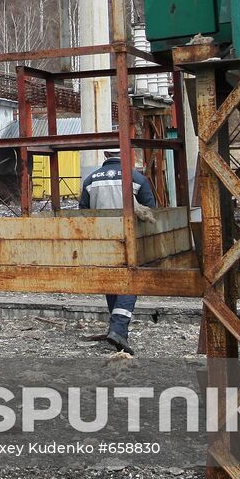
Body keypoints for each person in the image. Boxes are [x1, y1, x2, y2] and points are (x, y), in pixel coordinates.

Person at [78, 148, 157, 355]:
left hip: (101, 240)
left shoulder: (90, 180)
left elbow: (83, 213)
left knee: (111, 281)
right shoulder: (137, 178)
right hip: (128, 239)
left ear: (106, 156)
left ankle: (117, 330)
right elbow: (150, 209)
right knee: (130, 282)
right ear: (126, 155)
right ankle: (119, 328)